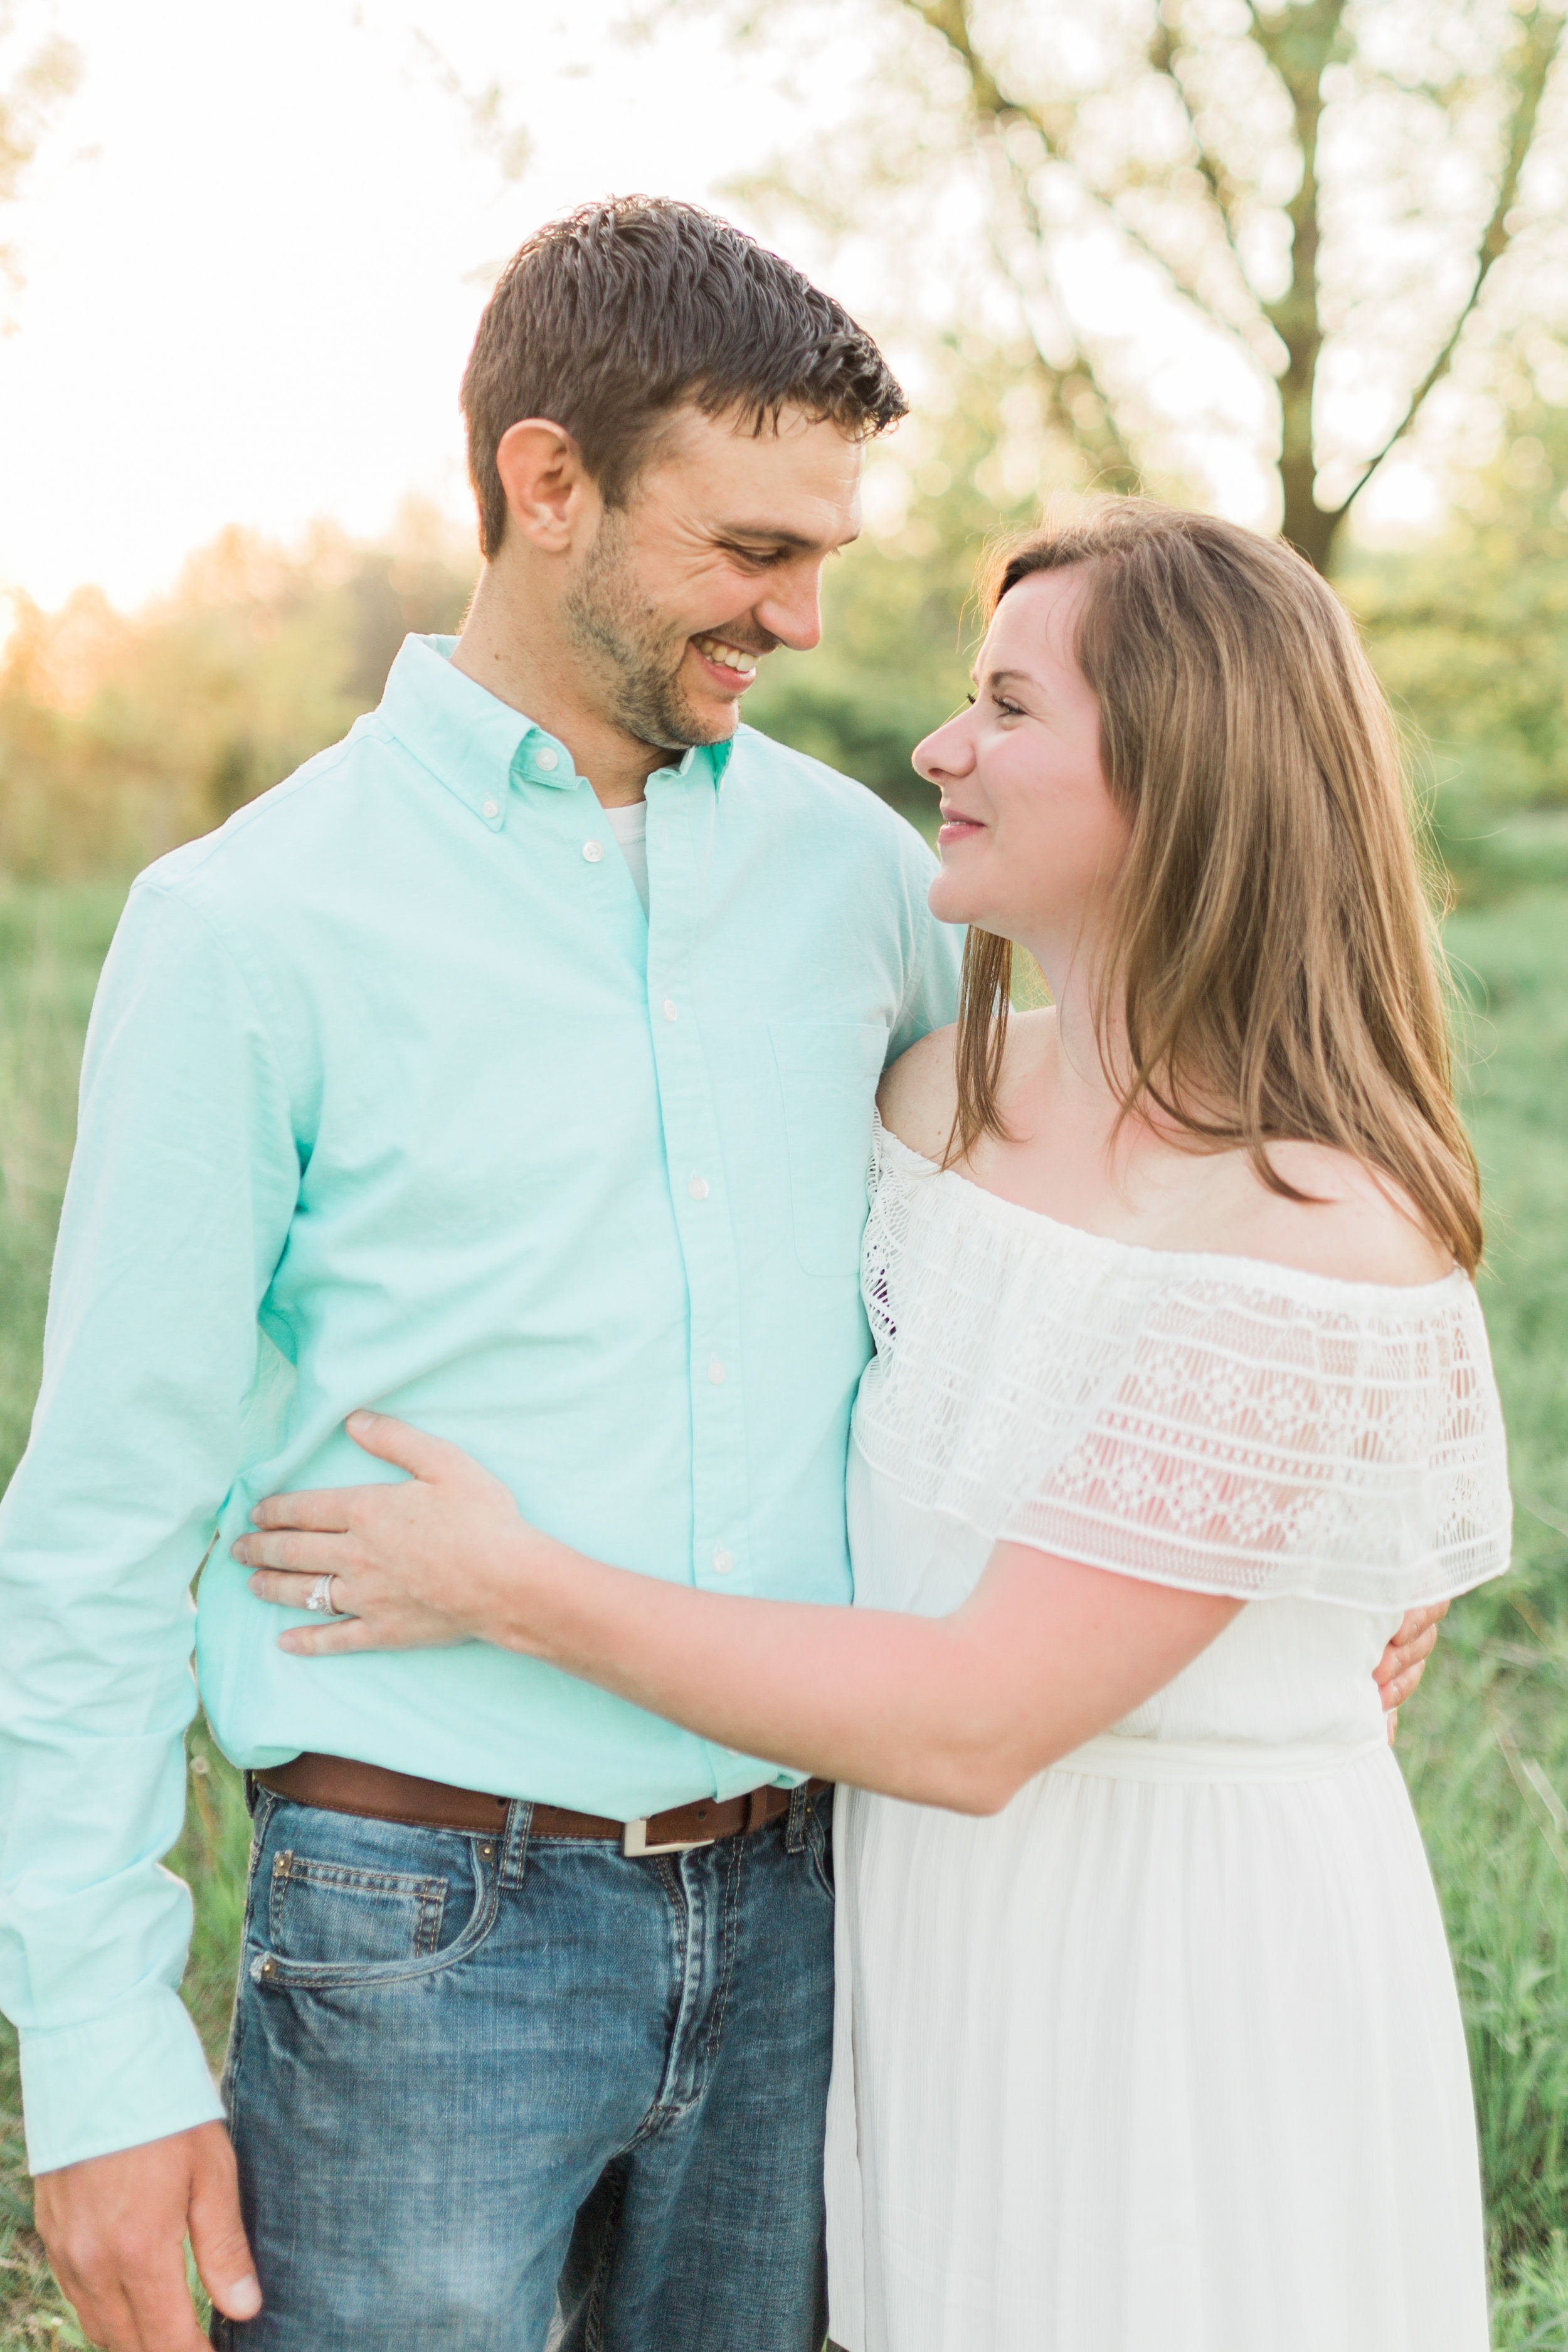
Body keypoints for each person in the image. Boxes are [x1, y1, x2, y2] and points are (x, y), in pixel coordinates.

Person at [238, 501, 1508, 2352]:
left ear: (1185, 778)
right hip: (925, 1946)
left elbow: (983, 1714)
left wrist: (511, 1586)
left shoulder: (1315, 1232)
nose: (936, 747)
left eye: (1006, 706)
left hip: (1177, 1975)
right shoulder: (944, 1096)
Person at [0, 197, 951, 2352]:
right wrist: (97, 2050)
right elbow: (97, 1524)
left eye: (825, 553)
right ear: (546, 484)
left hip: (816, 1906)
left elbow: (1099, 1196)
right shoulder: (252, 924)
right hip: (421, 1929)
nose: (800, 615)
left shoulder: (864, 879)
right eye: (747, 550)